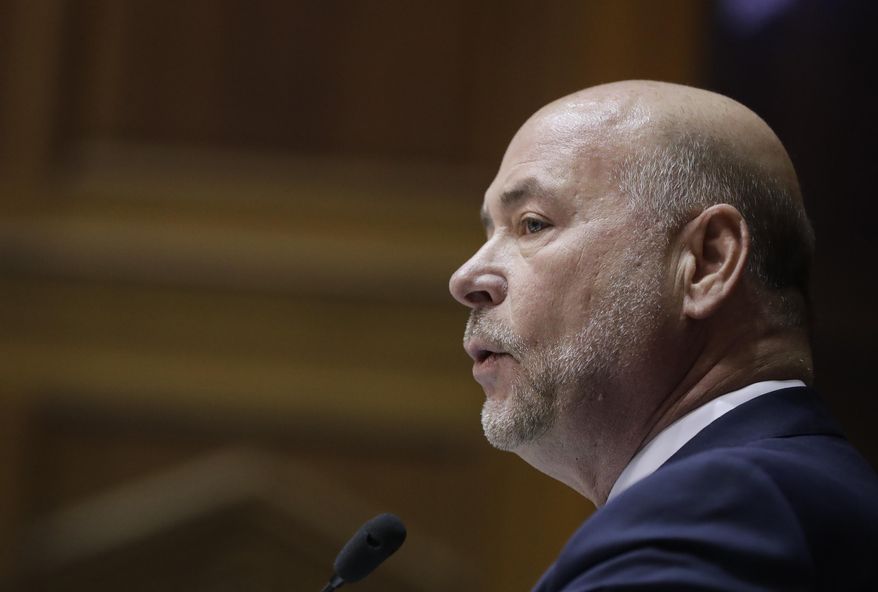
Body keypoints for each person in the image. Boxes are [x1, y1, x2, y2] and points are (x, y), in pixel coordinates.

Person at [448, 80, 878, 591]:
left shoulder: (725, 511)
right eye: (488, 231)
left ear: (706, 262)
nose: (466, 278)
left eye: (533, 224)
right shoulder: (791, 493)